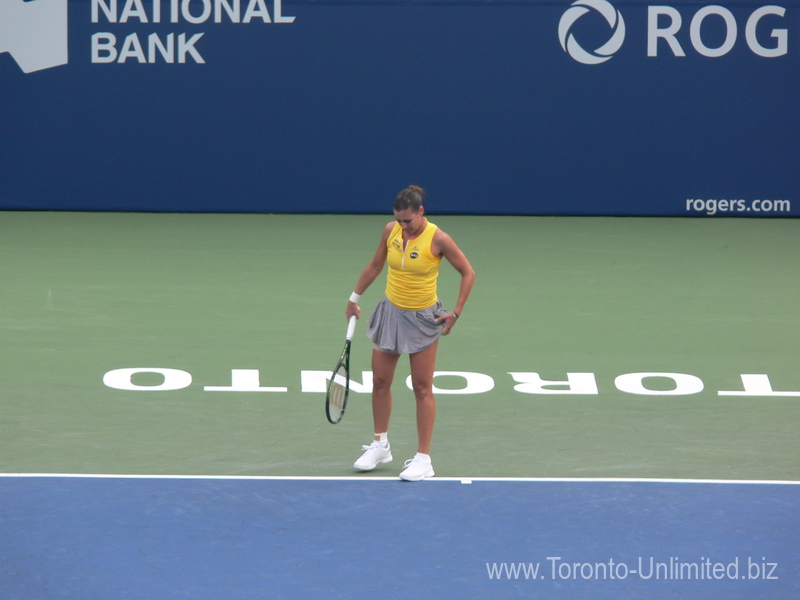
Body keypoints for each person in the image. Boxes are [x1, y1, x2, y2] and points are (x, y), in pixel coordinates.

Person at [345, 185, 475, 481]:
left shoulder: (439, 239)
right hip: (390, 313)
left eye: (409, 221)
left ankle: (423, 459)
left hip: (422, 319)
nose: (404, 226)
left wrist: (456, 312)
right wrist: (354, 299)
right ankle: (380, 445)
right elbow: (376, 265)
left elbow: (468, 272)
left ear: (421, 212)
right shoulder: (390, 231)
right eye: (399, 220)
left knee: (421, 388)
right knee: (379, 381)